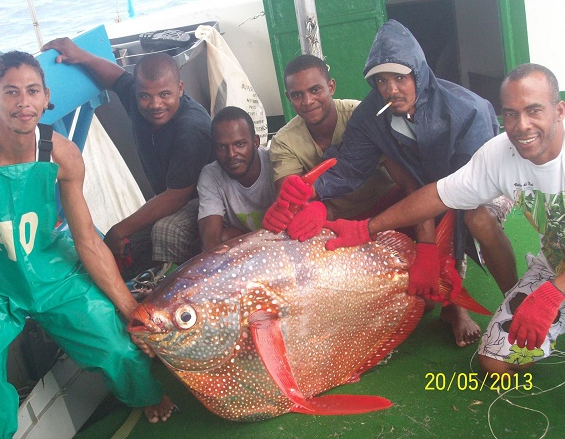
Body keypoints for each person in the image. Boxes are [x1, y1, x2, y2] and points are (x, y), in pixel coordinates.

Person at [0, 52, 174, 437]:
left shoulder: (62, 153)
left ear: (46, 98)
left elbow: (87, 239)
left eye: (32, 91)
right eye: (11, 92)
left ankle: (144, 394)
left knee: (117, 346)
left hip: (46, 262)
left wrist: (129, 308)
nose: (23, 102)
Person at [264, 20, 516, 347]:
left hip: (480, 185)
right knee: (431, 253)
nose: (392, 89)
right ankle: (452, 304)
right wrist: (307, 191)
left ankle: (515, 300)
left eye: (400, 77)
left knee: (475, 219)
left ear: (419, 74)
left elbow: (467, 187)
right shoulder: (371, 115)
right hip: (428, 190)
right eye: (381, 80)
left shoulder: (469, 110)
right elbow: (350, 165)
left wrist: (430, 243)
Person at [319, 63, 565, 375]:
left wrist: (552, 294)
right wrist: (366, 228)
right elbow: (437, 195)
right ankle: (520, 297)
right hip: (557, 261)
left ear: (559, 111)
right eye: (511, 114)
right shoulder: (500, 153)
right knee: (495, 365)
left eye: (533, 111)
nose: (521, 125)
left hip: (559, 281)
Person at [42, 38, 212, 278]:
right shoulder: (136, 96)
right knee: (116, 252)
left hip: (202, 204)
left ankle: (179, 283)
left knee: (164, 231)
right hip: (167, 198)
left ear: (180, 88)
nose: (155, 104)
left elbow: (176, 197)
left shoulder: (191, 128)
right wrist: (82, 55)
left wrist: (119, 230)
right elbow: (116, 77)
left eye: (165, 94)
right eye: (145, 96)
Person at [268, 54, 395, 223]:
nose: (308, 101)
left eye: (315, 90)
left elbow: (402, 174)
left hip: (386, 205)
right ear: (288, 97)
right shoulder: (284, 141)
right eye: (297, 95)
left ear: (331, 86)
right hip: (331, 218)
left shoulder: (360, 115)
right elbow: (290, 203)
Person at [197, 106, 275, 251]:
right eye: (221, 147)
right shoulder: (210, 175)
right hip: (245, 245)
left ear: (256, 142)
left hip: (281, 239)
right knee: (224, 237)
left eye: (239, 144)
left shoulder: (275, 161)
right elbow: (210, 238)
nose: (231, 154)